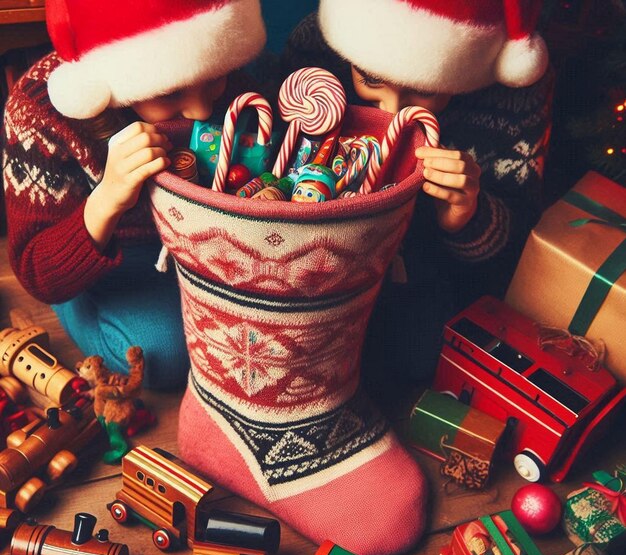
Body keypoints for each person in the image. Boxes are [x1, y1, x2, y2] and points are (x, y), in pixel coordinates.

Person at [283, 0, 554, 383]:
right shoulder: (320, 47)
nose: (393, 111)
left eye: (423, 90)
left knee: (415, 360)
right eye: (371, 80)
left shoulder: (512, 84)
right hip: (308, 247)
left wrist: (466, 217)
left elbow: (517, 246)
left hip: (420, 264)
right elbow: (278, 149)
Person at [2, 0, 267, 389]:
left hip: (207, 246)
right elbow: (35, 268)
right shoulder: (40, 114)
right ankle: (78, 305)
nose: (199, 109)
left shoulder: (227, 66)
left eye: (214, 79)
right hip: (109, 256)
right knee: (164, 356)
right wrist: (108, 197)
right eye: (172, 91)